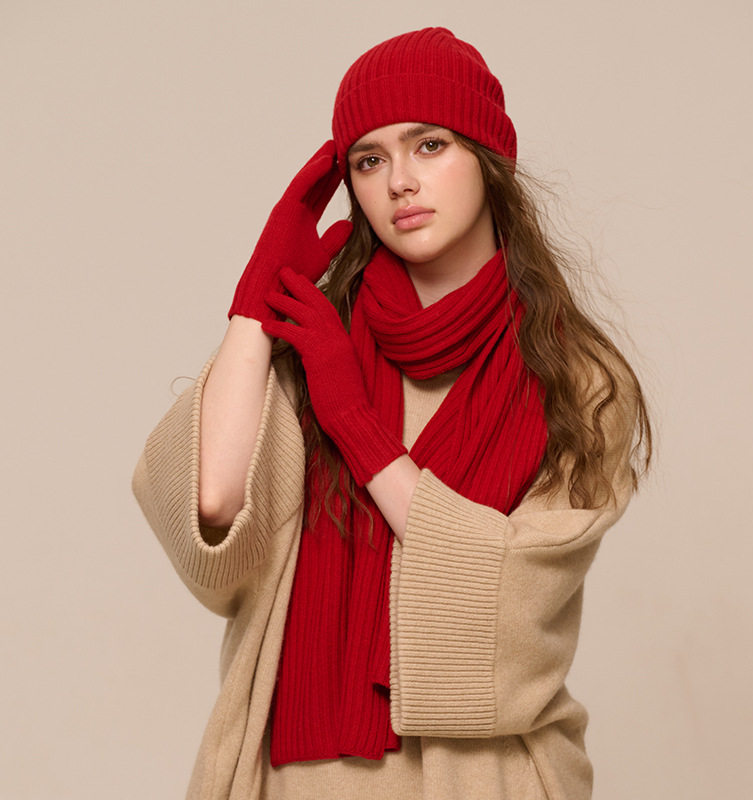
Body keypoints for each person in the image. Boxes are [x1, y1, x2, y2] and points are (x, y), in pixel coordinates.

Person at [132, 27, 651, 800]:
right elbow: (212, 512)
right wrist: (254, 306)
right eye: (369, 160)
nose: (400, 182)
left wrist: (356, 424)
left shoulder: (579, 380)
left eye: (429, 145)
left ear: (488, 157)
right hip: (293, 780)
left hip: (481, 779)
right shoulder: (315, 346)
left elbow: (508, 601)